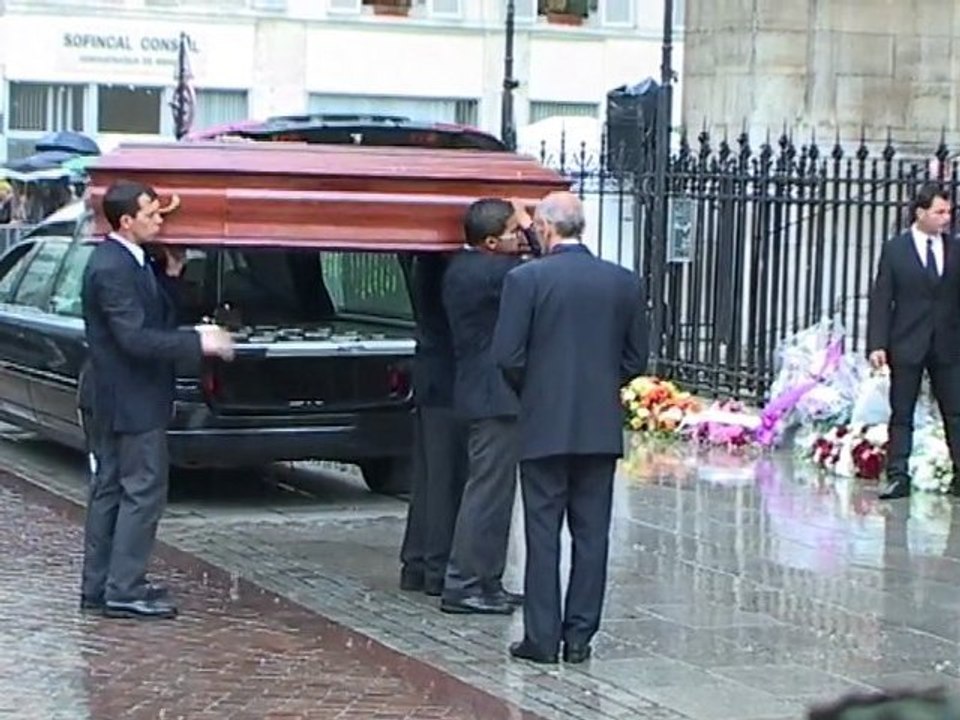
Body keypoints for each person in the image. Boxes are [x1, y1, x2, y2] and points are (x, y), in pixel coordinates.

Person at [492, 191, 648, 664]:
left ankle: (541, 636)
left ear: (545, 228)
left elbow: (507, 356)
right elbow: (635, 359)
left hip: (544, 424)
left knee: (542, 533)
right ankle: (579, 636)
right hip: (598, 427)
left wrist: (537, 392)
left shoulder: (525, 280)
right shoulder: (623, 282)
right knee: (592, 534)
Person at [80, 180, 234, 619]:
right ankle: (123, 589)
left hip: (122, 396)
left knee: (112, 489)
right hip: (129, 397)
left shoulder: (134, 261)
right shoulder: (112, 267)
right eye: (151, 214)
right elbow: (135, 338)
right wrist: (199, 342)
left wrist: (170, 276)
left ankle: (102, 586)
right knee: (142, 491)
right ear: (126, 221)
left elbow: (152, 315)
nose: (160, 220)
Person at [439, 198, 528, 615]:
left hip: (485, 395)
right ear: (492, 241)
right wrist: (533, 226)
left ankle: (487, 581)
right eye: (514, 231)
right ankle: (465, 584)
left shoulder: (470, 266)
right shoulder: (489, 271)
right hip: (492, 398)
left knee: (495, 492)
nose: (521, 236)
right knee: (487, 492)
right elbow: (546, 268)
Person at [866, 182, 960, 500]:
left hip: (947, 344)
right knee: (902, 411)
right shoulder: (896, 250)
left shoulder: (955, 248)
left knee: (955, 410)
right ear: (920, 213)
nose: (946, 218)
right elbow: (882, 298)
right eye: (939, 212)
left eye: (949, 212)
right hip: (907, 342)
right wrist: (877, 344)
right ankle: (897, 475)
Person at [398, 253, 469, 596]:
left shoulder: (426, 259)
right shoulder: (450, 266)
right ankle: (435, 568)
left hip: (433, 376)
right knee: (445, 478)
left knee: (431, 478)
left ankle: (420, 563)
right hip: (448, 380)